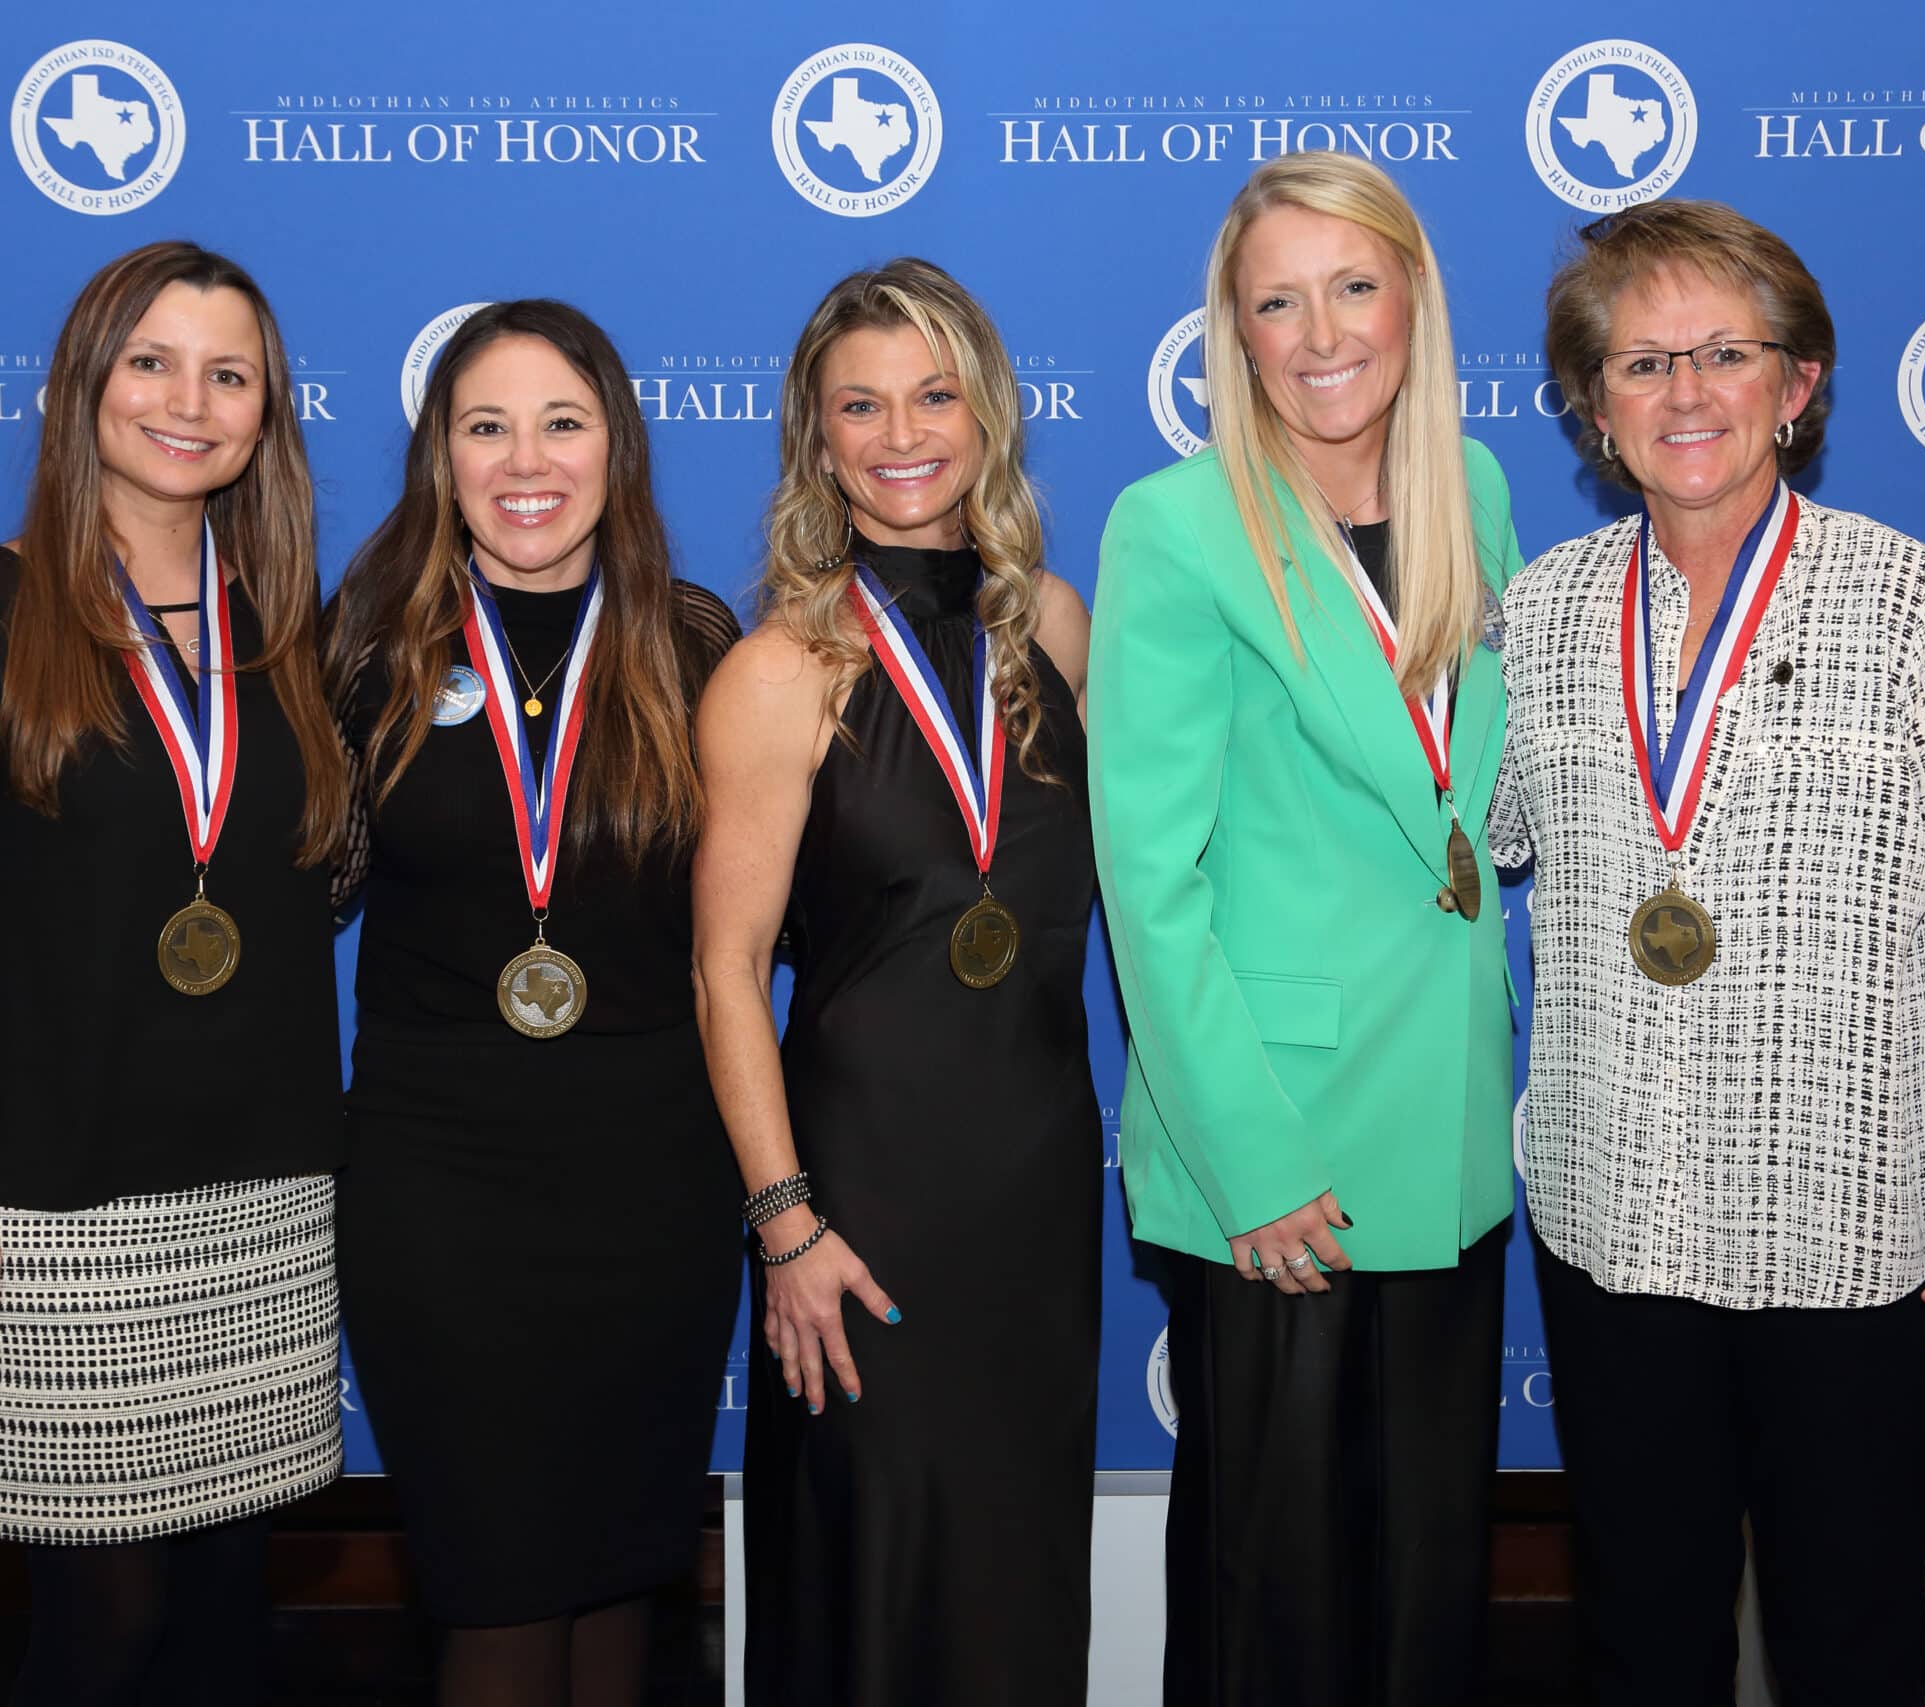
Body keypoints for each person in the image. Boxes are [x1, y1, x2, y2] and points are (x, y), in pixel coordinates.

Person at [1490, 198, 1925, 1706]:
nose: (1685, 394)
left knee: (1845, 1645)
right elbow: (1458, 840)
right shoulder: (1542, 613)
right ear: (1592, 409)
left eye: (1724, 354)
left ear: (1801, 382)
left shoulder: (1913, 608)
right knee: (1642, 1640)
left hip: (1857, 1245)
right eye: (1640, 364)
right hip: (1615, 1225)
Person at [0, 241, 348, 1707]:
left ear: (267, 412)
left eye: (229, 374)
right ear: (87, 383)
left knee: (223, 1624)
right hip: (59, 1203)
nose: (187, 402)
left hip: (265, 1190)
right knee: (101, 1629)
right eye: (151, 361)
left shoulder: (285, 635)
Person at [1088, 150, 1524, 1707]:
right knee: (1273, 1605)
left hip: (1454, 1128)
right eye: (1278, 302)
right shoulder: (1179, 525)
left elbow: (1473, 800)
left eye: (1352, 285)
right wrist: (1251, 1162)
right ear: (1237, 331)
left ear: (1412, 296)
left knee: (1426, 1591)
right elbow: (1150, 877)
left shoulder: (1473, 490)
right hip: (1279, 1149)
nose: (1321, 331)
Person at [691, 257, 1100, 1706]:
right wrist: (787, 1225)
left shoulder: (1055, 623)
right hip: (858, 1198)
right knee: (874, 1574)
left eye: (933, 394)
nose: (900, 432)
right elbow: (728, 973)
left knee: (1013, 1570)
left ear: (986, 414)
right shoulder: (779, 670)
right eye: (857, 404)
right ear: (816, 435)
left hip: (1035, 1183)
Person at [324, 300, 742, 1707]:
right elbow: (278, 890)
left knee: (625, 1579)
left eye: (562, 422)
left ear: (616, 448)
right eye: (484, 425)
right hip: (438, 1185)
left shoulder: (695, 645)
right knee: (495, 1586)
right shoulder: (365, 647)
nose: (526, 460)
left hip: (655, 1180)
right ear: (439, 457)